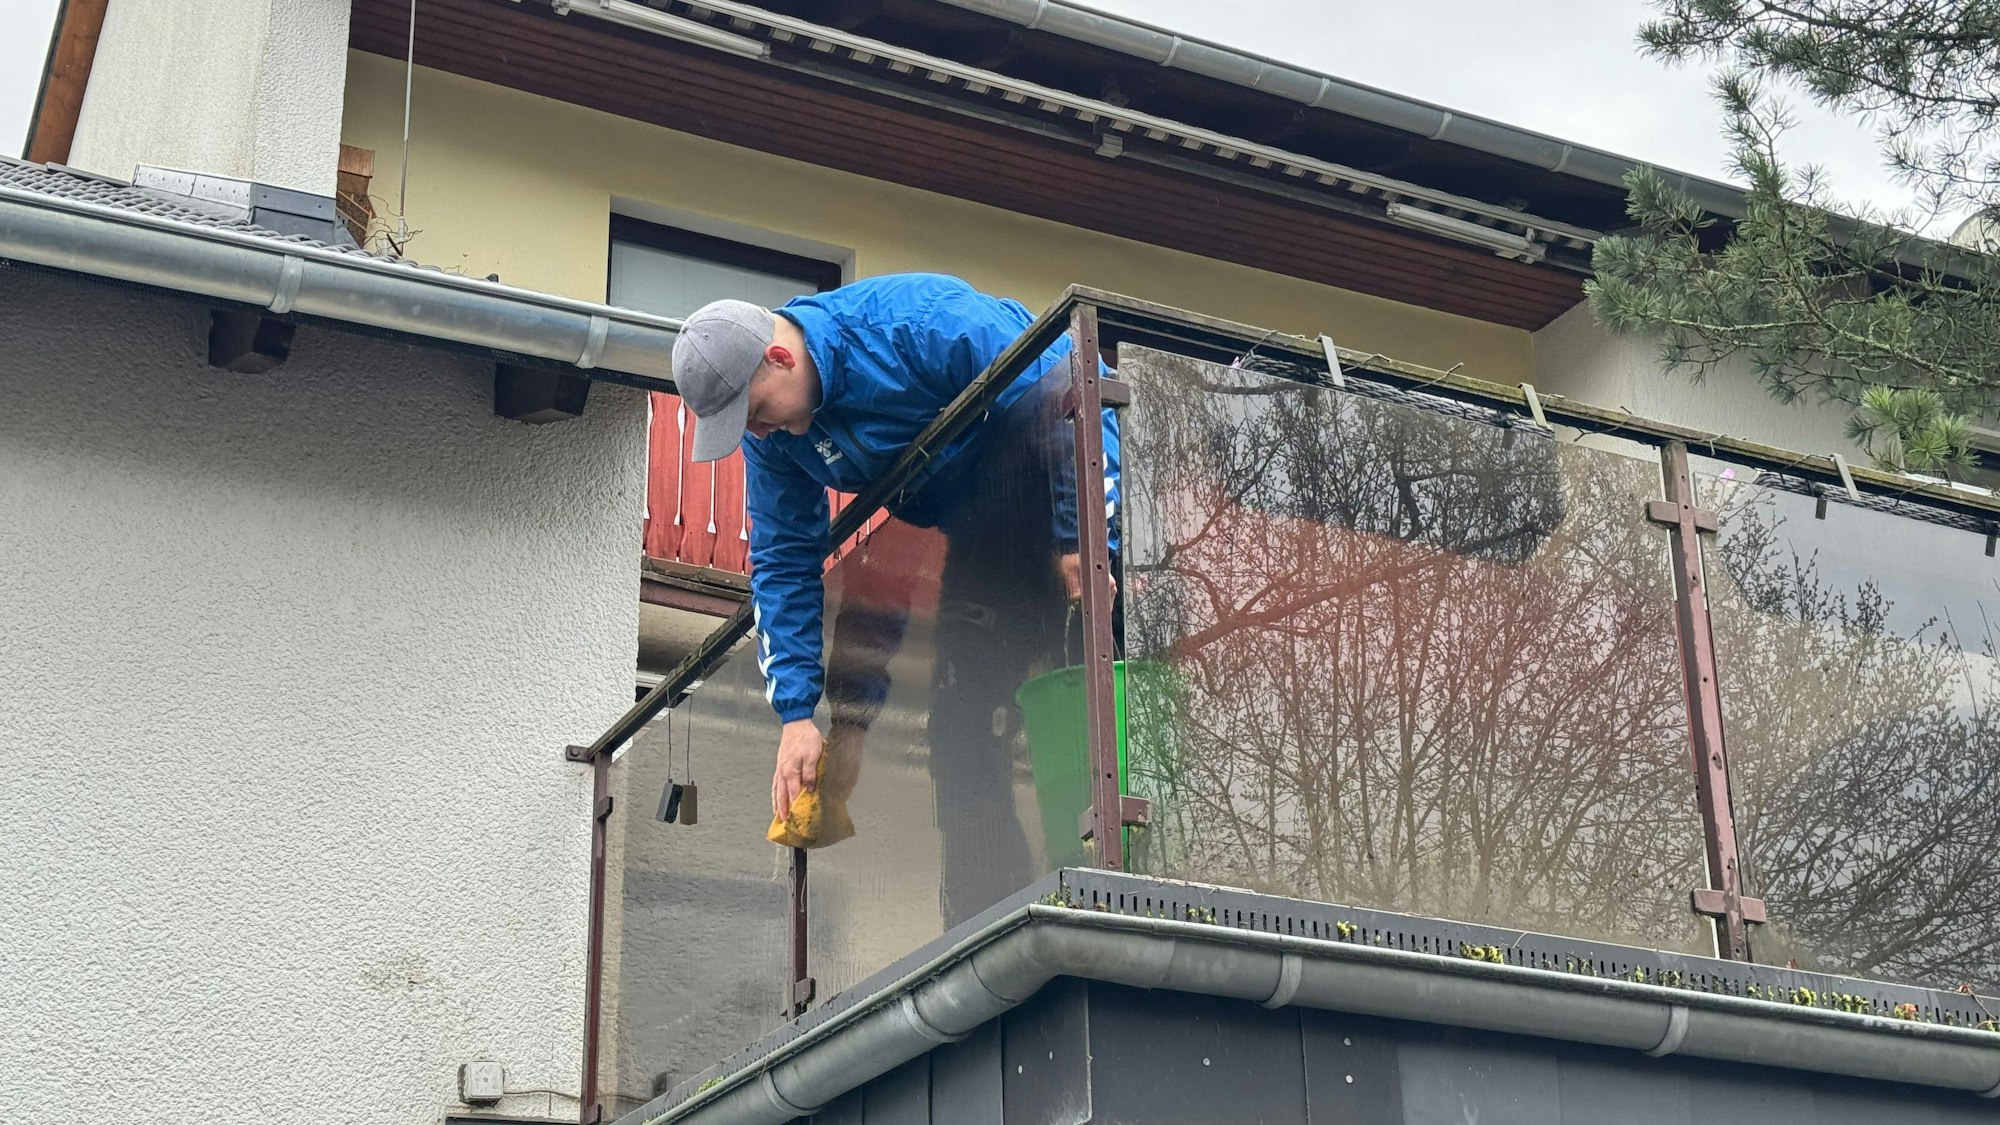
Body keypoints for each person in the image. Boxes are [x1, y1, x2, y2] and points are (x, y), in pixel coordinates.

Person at [671, 272, 1118, 923]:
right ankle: (986, 923)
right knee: (960, 725)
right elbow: (784, 562)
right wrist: (800, 714)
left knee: (1098, 694)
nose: (759, 434)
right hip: (973, 536)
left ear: (779, 356)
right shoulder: (776, 445)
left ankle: (1123, 874)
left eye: (755, 413)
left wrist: (1082, 532)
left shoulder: (915, 321)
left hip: (1064, 480)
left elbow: (1065, 383)